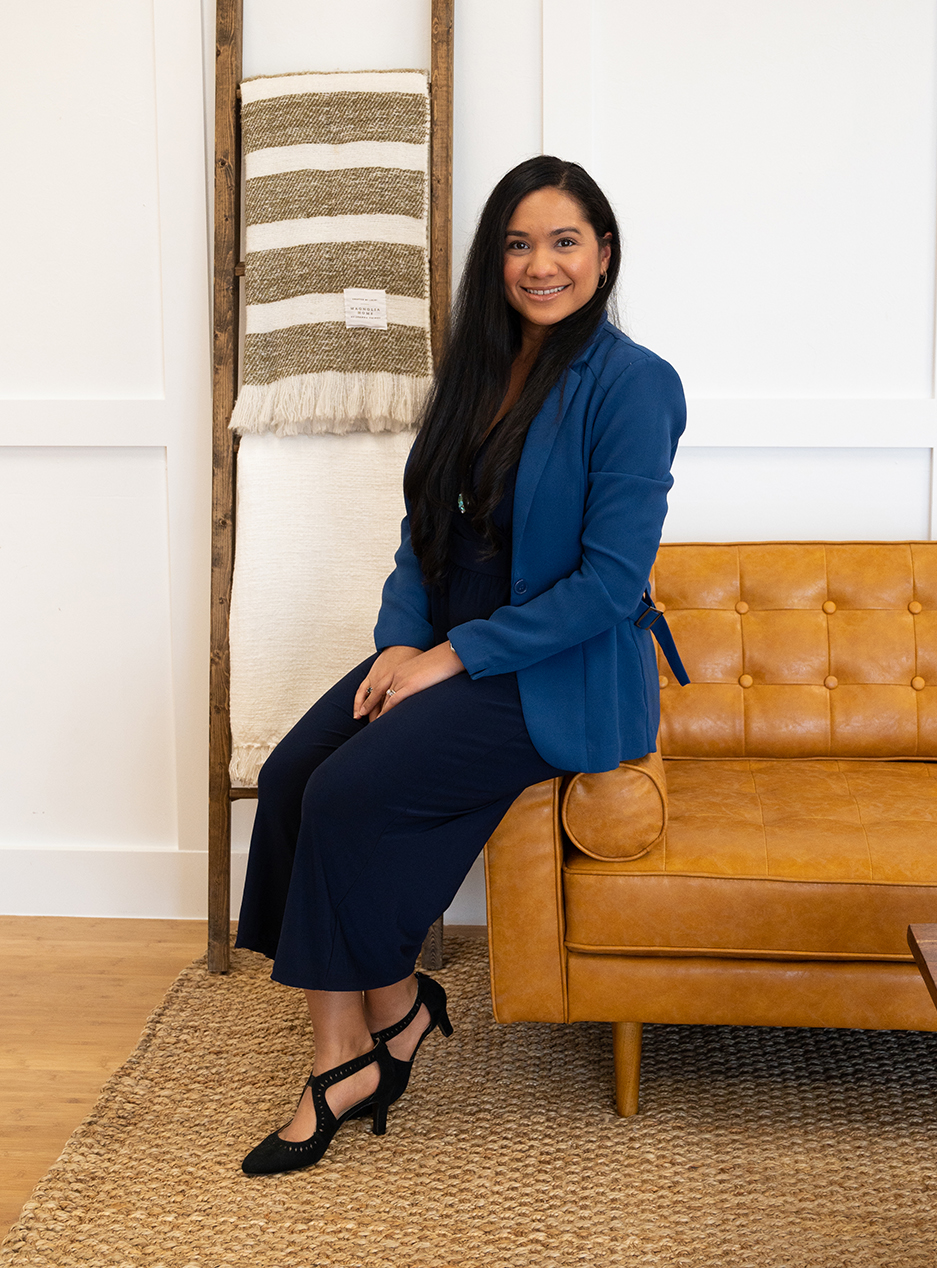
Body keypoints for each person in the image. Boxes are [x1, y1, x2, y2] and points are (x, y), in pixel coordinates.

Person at [235, 154, 687, 1176]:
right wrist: (401, 640)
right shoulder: (475, 373)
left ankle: (342, 1058)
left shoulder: (634, 385)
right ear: (495, 261)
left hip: (554, 671)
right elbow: (421, 538)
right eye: (519, 243)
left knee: (349, 792)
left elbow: (607, 587)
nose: (541, 264)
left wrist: (452, 658)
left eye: (565, 240)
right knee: (295, 775)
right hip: (446, 647)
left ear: (603, 255)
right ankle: (395, 1012)